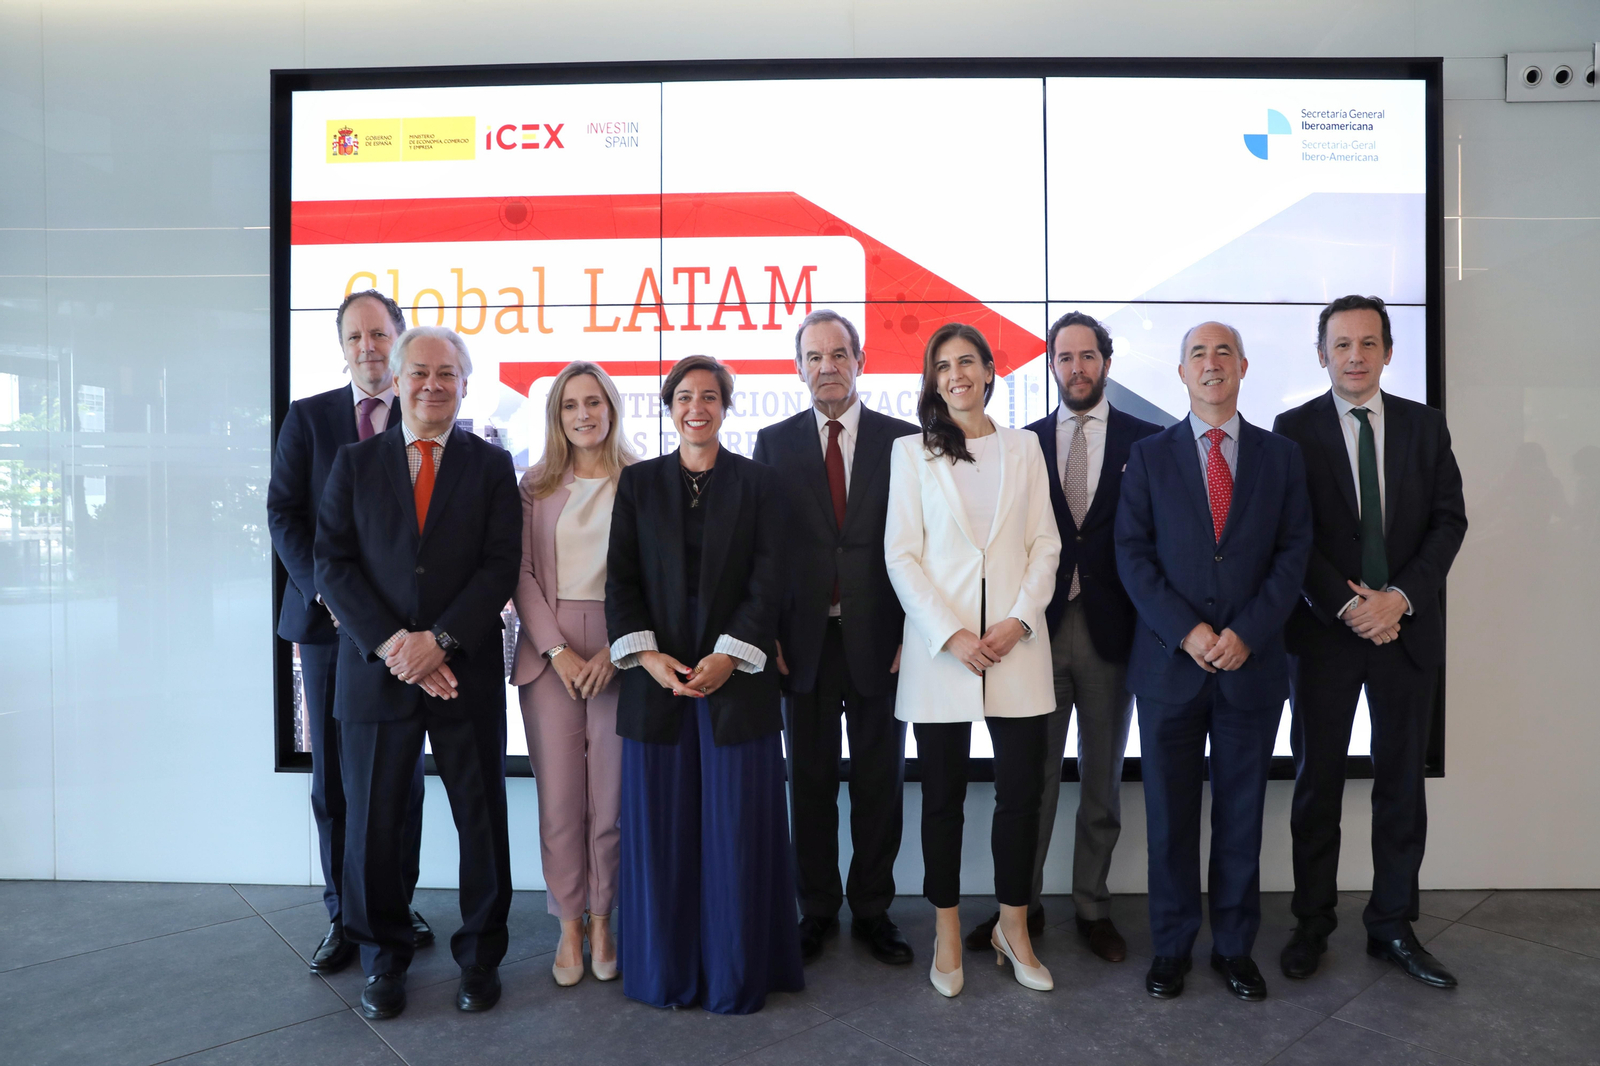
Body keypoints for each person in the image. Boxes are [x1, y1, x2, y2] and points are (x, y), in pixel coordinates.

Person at [314, 326, 521, 1020]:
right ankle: (383, 958)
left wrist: (440, 642)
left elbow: (499, 565)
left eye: (447, 373)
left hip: (464, 672)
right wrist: (396, 645)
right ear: (397, 381)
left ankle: (480, 957)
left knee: (481, 820)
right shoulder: (354, 463)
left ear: (464, 383)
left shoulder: (491, 465)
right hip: (378, 673)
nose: (434, 385)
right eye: (420, 372)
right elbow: (332, 564)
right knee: (373, 823)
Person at [1272, 296, 1467, 988]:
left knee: (1401, 786)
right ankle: (1311, 923)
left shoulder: (1425, 425)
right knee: (1316, 785)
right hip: (1325, 634)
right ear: (1321, 354)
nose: (1354, 356)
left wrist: (1399, 598)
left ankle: (1393, 926)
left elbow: (1449, 522)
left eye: (1368, 343)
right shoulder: (1292, 430)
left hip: (1405, 632)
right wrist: (1348, 605)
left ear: (1388, 351)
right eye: (1341, 344)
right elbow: (1291, 534)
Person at [1114, 321, 1312, 1002]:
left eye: (1223, 351)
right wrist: (1187, 631)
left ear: (1244, 367)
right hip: (1170, 667)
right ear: (1181, 373)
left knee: (1240, 817)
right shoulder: (1149, 456)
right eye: (1197, 353)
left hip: (1250, 668)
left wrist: (1247, 633)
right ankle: (1171, 948)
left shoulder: (1281, 457)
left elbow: (1293, 554)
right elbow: (1132, 554)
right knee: (1169, 819)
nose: (1211, 362)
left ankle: (1233, 947)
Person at [606, 354, 804, 1014]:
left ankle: (734, 973)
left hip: (736, 683)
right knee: (661, 837)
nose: (698, 407)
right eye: (686, 396)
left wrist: (728, 656)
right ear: (669, 407)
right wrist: (649, 658)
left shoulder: (760, 484)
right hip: (657, 683)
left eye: (710, 396)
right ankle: (665, 975)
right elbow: (620, 581)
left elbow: (769, 581)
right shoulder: (637, 484)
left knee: (735, 834)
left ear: (726, 407)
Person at [967, 312, 1161, 962]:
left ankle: (1092, 908)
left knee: (1101, 782)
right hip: (1034, 632)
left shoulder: (1146, 442)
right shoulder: (1021, 443)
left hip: (1112, 633)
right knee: (1031, 781)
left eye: (1087, 356)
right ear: (1051, 365)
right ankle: (1018, 911)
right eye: (1064, 358)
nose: (1076, 368)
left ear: (1106, 361)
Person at [884, 323, 1062, 997]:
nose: (956, 374)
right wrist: (951, 635)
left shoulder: (1025, 447)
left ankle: (1013, 928)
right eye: (943, 366)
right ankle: (948, 931)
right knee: (942, 800)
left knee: (1020, 796)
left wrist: (1019, 620)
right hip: (943, 653)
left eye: (967, 362)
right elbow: (901, 555)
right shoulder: (910, 452)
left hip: (1017, 646)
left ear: (990, 370)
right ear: (933, 381)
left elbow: (1045, 544)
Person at [265, 289, 430, 975]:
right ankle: (343, 913)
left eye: (380, 333)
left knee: (403, 777)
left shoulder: (424, 417)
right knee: (334, 779)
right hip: (328, 629)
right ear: (341, 347)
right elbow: (284, 514)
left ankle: (395, 904)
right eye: (356, 336)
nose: (369, 346)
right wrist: (328, 593)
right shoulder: (308, 419)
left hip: (406, 633)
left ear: (399, 339)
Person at [753, 310, 919, 967]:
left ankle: (874, 909)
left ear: (860, 361)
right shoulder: (773, 444)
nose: (827, 366)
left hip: (883, 640)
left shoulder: (903, 441)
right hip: (803, 643)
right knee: (810, 784)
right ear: (799, 367)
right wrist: (766, 634)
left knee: (880, 783)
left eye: (839, 354)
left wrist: (916, 631)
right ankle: (817, 908)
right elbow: (762, 550)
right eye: (815, 356)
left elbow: (923, 542)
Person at [511, 361, 636, 986]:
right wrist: (558, 650)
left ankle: (603, 918)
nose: (583, 414)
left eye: (593, 402)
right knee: (561, 803)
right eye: (569, 405)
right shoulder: (533, 485)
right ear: (556, 416)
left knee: (610, 803)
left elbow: (654, 574)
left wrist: (618, 649)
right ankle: (568, 924)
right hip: (549, 652)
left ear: (611, 408)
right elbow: (520, 574)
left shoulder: (642, 481)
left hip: (623, 651)